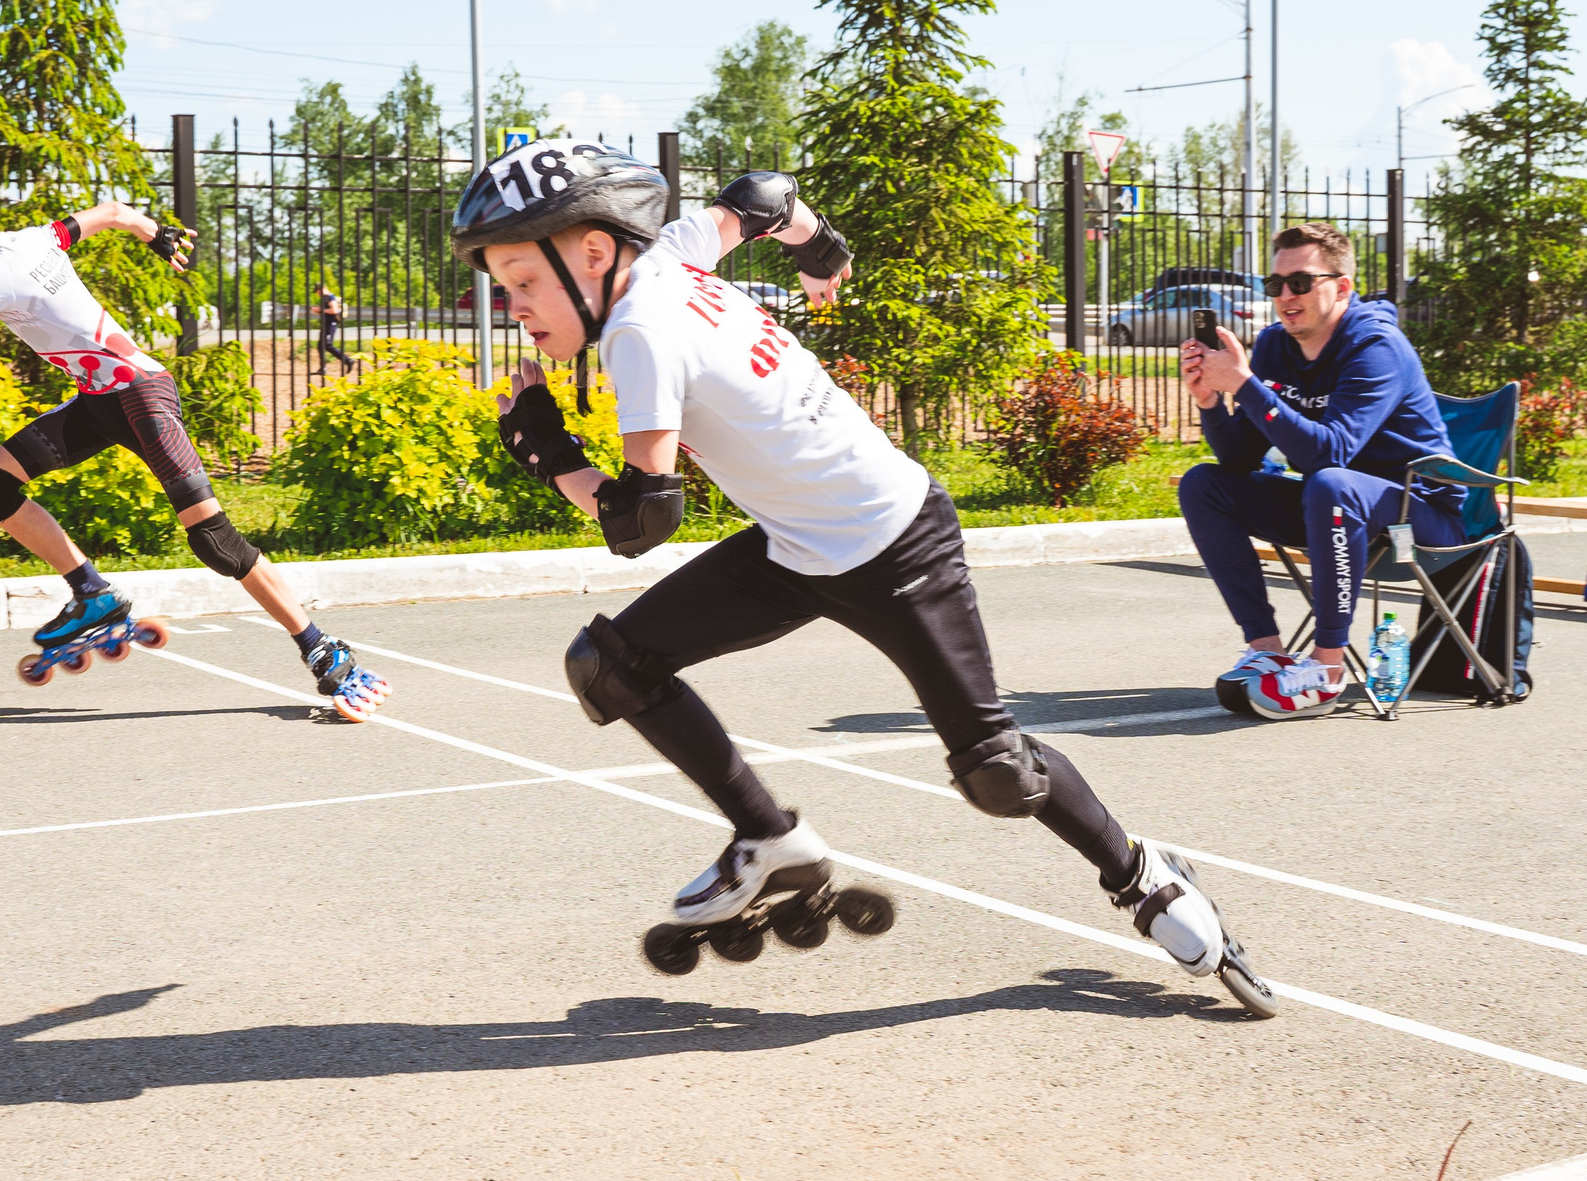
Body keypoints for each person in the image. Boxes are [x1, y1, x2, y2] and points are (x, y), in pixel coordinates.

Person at [452, 139, 1273, 1010]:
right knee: (610, 663)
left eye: (522, 281)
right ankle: (769, 840)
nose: (513, 307)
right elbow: (762, 198)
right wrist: (822, 252)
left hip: (897, 544)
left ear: (590, 252)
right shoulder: (672, 249)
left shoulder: (641, 334)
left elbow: (642, 520)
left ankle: (1146, 876)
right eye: (503, 285)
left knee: (998, 772)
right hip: (795, 547)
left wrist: (544, 448)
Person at [0, 155, 390, 721]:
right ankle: (93, 595)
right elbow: (111, 213)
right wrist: (159, 235)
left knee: (215, 541)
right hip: (101, 401)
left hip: (142, 395)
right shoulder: (36, 239)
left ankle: (326, 652)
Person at [1175, 221, 1462, 720]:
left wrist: (1246, 387)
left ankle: (1327, 669)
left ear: (1341, 287)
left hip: (1419, 517)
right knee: (1204, 485)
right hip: (1332, 509)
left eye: (1301, 283)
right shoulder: (1273, 346)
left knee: (1331, 483)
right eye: (1275, 284)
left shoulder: (1376, 347)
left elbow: (1332, 454)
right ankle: (1268, 649)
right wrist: (1210, 402)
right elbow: (1240, 460)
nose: (1286, 295)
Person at [314, 283, 356, 377]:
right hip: (326, 324)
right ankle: (323, 368)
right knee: (321, 346)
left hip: (330, 325)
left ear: (321, 289)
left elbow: (335, 310)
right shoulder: (325, 298)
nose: (317, 294)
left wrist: (321, 310)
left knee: (328, 345)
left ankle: (348, 360)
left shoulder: (330, 297)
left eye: (317, 291)